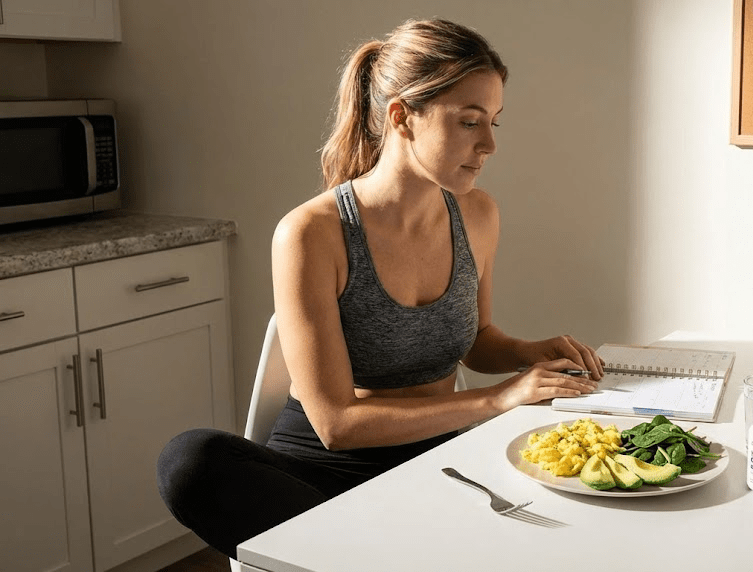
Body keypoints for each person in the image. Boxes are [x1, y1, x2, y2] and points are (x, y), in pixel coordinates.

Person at [157, 18, 605, 559]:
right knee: (189, 461)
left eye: (493, 122)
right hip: (319, 477)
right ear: (402, 118)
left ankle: (363, 554)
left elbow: (477, 339)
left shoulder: (478, 215)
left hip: (436, 462)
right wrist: (497, 399)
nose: (488, 143)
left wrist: (531, 354)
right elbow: (337, 425)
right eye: (468, 121)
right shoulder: (312, 234)